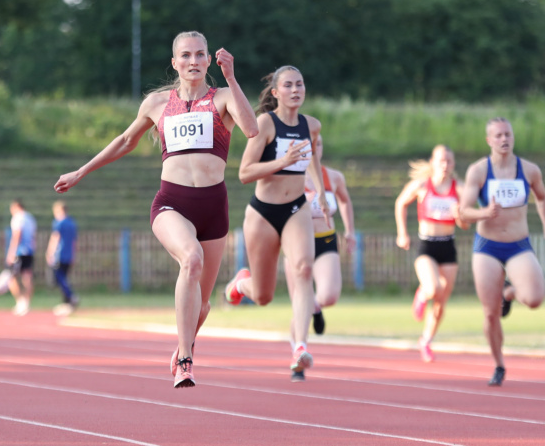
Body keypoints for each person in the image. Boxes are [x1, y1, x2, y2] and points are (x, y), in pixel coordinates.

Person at [54, 31, 258, 388]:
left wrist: (231, 77)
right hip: (172, 203)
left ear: (209, 60)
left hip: (214, 206)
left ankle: (183, 344)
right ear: (174, 62)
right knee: (191, 259)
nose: (193, 61)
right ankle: (186, 360)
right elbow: (125, 141)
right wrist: (81, 172)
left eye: (200, 54)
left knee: (203, 305)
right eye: (186, 55)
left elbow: (252, 129)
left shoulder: (223, 97)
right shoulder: (157, 103)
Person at [225, 65, 329, 382]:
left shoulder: (312, 125)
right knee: (263, 296)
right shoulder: (265, 124)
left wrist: (320, 193)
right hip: (263, 213)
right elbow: (244, 173)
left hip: (297, 208)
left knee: (304, 270)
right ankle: (240, 284)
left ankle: (300, 348)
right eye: (288, 85)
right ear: (276, 92)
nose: (296, 90)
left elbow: (313, 159)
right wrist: (282, 162)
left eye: (300, 84)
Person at [459, 117, 545, 387]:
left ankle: (509, 293)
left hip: (518, 244)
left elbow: (542, 197)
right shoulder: (479, 171)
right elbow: (463, 211)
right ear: (489, 140)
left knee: (535, 299)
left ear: (513, 137)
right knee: (491, 313)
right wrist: (484, 212)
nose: (504, 139)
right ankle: (499, 364)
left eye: (508, 134)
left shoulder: (529, 170)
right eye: (498, 135)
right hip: (487, 247)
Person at [395, 145, 469, 363]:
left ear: (453, 164)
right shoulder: (422, 185)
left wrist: (459, 216)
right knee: (433, 287)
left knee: (441, 302)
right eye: (441, 161)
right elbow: (401, 203)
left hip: (448, 245)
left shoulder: (460, 188)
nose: (445, 165)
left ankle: (426, 340)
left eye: (449, 161)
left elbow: (465, 224)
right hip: (427, 245)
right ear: (433, 163)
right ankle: (421, 294)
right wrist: (402, 233)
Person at [284, 134, 356, 336]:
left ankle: (313, 306)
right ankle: (297, 351)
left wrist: (350, 231)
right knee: (298, 306)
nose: (315, 149)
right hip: (297, 243)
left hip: (325, 239)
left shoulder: (333, 177)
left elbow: (345, 201)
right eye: (310, 145)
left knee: (329, 296)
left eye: (319, 145)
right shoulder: (287, 177)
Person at [46, 201, 79, 317]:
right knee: (64, 278)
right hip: (69, 255)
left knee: (60, 279)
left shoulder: (59, 223)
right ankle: (67, 303)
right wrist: (73, 255)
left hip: (59, 255)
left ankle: (71, 297)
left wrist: (50, 253)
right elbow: (74, 242)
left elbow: (55, 238)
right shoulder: (72, 223)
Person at [6, 199, 37, 317]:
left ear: (15, 207)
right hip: (29, 251)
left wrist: (11, 252)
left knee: (11, 278)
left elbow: (17, 235)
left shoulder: (17, 218)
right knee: (27, 277)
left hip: (19, 252)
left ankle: (20, 302)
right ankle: (27, 302)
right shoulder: (30, 218)